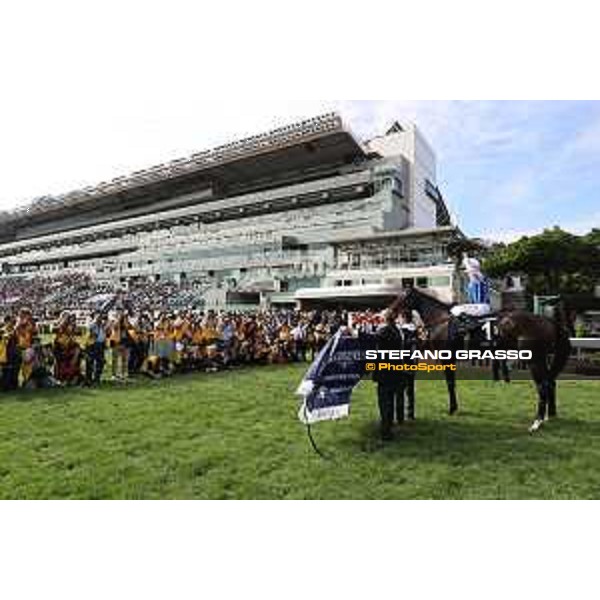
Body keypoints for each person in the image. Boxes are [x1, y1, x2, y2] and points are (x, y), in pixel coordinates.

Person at [373, 309, 405, 441]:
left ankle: (385, 432)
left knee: (385, 401)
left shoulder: (384, 331)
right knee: (390, 400)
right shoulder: (397, 331)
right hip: (396, 371)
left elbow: (372, 339)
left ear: (385, 318)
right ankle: (389, 426)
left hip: (385, 372)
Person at [86, 313, 107, 385]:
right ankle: (89, 379)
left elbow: (105, 334)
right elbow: (89, 330)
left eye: (101, 317)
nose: (100, 319)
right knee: (90, 362)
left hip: (100, 345)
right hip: (92, 345)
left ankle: (97, 378)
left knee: (101, 362)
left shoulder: (102, 325)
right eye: (98, 317)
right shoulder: (92, 324)